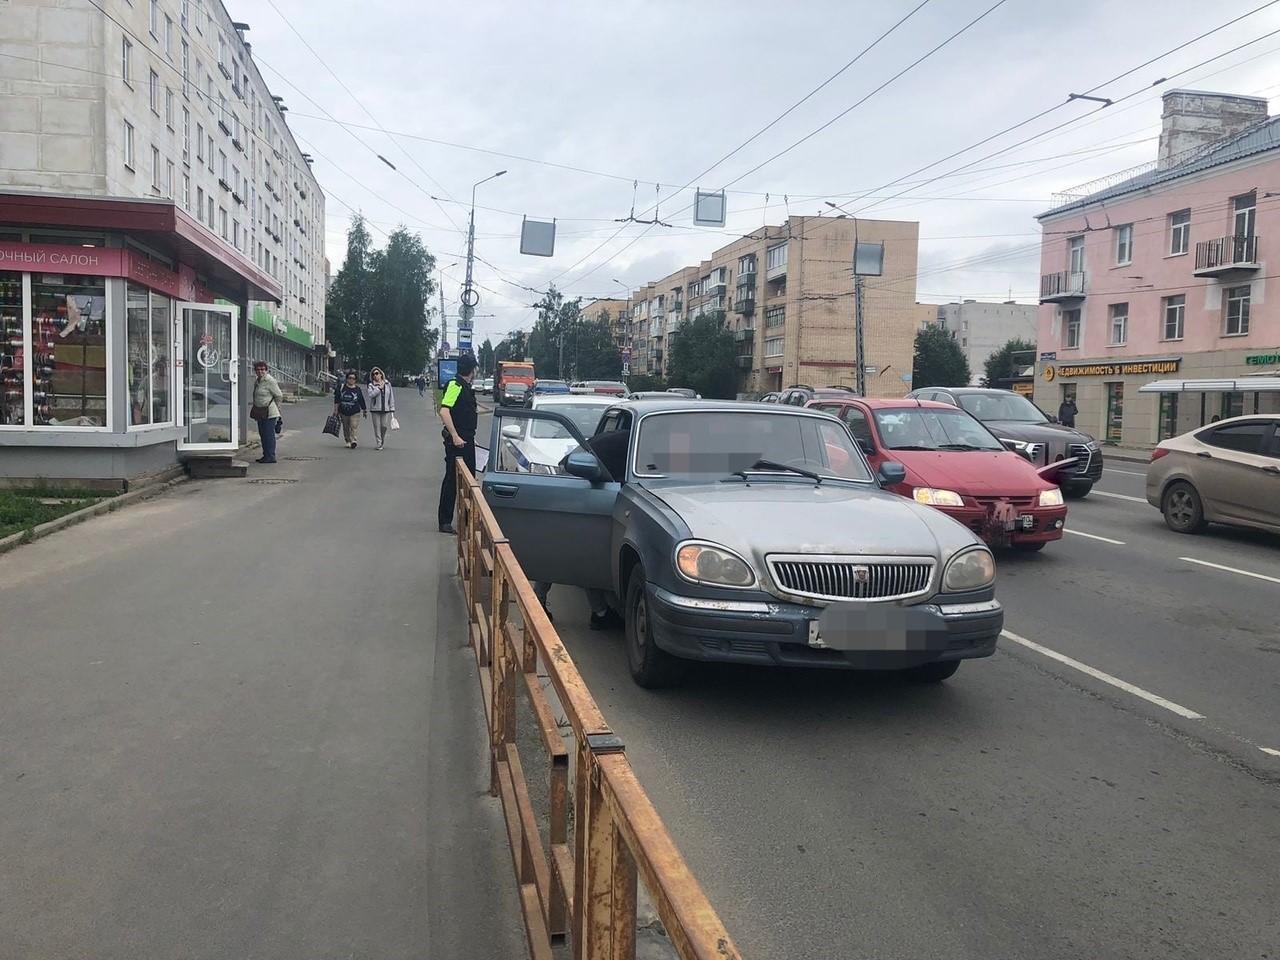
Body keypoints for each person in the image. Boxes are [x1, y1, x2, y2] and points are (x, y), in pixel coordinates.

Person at [532, 427, 630, 629]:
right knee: (578, 551)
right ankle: (539, 605)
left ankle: (598, 612)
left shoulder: (626, 437)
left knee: (581, 551)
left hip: (580, 481)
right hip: (575, 482)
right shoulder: (633, 444)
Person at [438, 354, 479, 534]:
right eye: (475, 368)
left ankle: (468, 521)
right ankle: (445, 521)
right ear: (472, 370)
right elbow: (444, 412)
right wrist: (455, 436)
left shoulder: (466, 387)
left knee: (469, 482)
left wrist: (469, 436)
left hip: (466, 439)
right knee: (452, 481)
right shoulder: (455, 385)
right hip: (457, 443)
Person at [250, 361, 284, 463]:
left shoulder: (270, 381)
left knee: (268, 434)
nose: (260, 371)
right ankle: (265, 455)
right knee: (262, 434)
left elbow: (279, 395)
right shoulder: (258, 381)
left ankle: (271, 456)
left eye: (262, 369)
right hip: (260, 411)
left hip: (270, 412)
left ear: (266, 370)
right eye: (258, 369)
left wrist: (278, 407)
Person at [333, 371, 367, 448]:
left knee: (353, 426)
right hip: (343, 411)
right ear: (347, 379)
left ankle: (353, 440)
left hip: (355, 411)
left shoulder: (358, 389)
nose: (351, 380)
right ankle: (347, 440)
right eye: (350, 378)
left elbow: (361, 400)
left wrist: (364, 410)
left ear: (355, 380)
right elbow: (337, 399)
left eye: (353, 378)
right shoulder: (341, 388)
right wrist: (335, 410)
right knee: (346, 427)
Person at [367, 367, 396, 451]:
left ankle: (382, 439)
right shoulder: (371, 385)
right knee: (377, 426)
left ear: (381, 374)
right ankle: (379, 442)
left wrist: (392, 407)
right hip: (375, 409)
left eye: (376, 373)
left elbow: (391, 396)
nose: (375, 376)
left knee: (384, 426)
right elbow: (371, 395)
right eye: (373, 374)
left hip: (385, 408)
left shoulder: (387, 384)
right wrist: (379, 388)